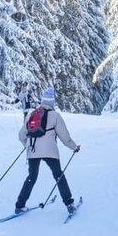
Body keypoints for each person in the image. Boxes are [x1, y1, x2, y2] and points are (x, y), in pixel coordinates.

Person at [15, 87, 80, 215]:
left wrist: (27, 146)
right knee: (58, 175)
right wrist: (74, 147)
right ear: (52, 102)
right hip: (50, 151)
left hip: (32, 150)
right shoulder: (55, 115)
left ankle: (20, 205)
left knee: (31, 178)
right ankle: (69, 204)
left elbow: (21, 135)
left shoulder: (31, 114)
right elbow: (65, 137)